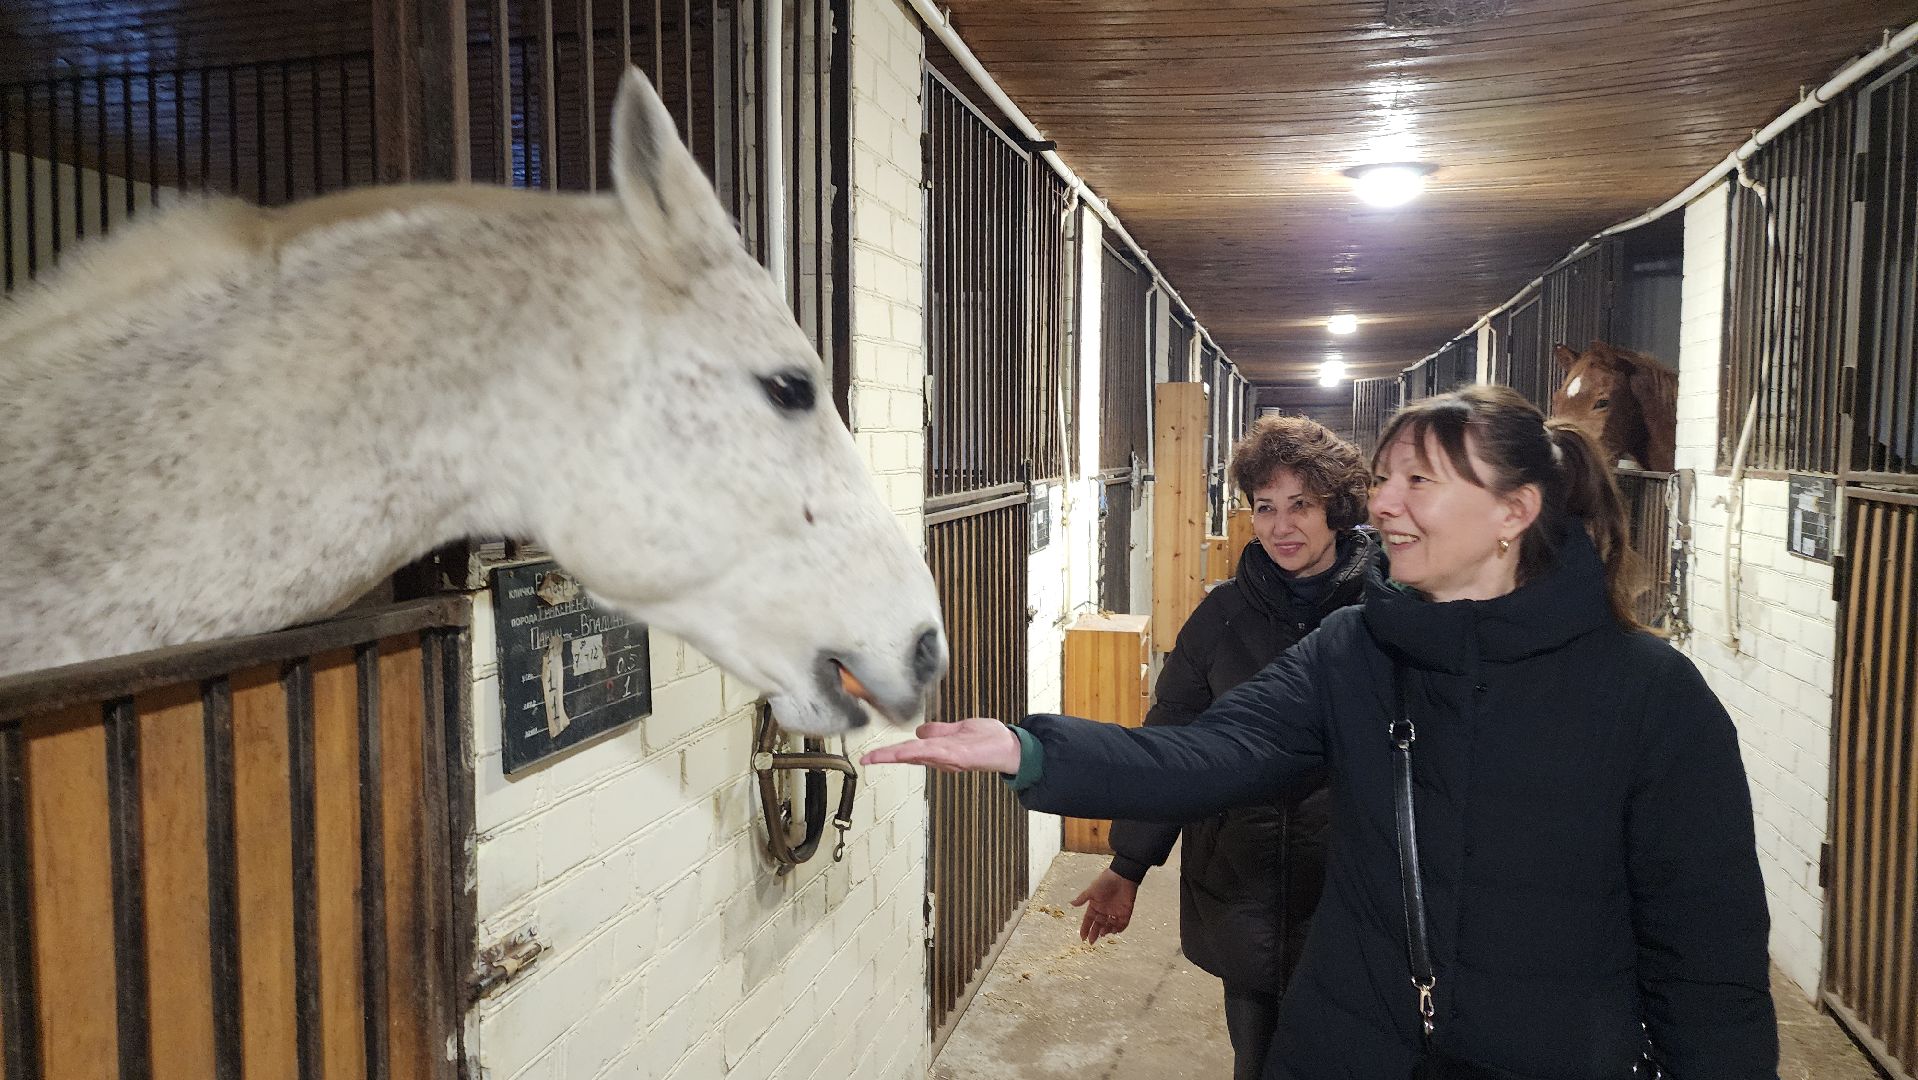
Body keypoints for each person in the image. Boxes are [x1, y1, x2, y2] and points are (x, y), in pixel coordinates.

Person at [866, 385, 1777, 1080]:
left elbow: (1709, 962)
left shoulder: (1652, 698)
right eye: (1384, 478)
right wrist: (1030, 750)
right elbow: (1205, 749)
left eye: (1419, 480)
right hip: (1352, 1043)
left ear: (1515, 511)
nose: (1384, 504)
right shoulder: (1358, 649)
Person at [1071, 415, 1376, 1080]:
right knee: (1259, 1057)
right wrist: (1128, 864)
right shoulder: (1222, 617)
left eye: (1301, 505)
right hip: (1245, 884)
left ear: (1339, 509)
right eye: (1266, 507)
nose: (1281, 526)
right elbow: (1173, 743)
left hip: (1351, 886)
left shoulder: (1389, 611)